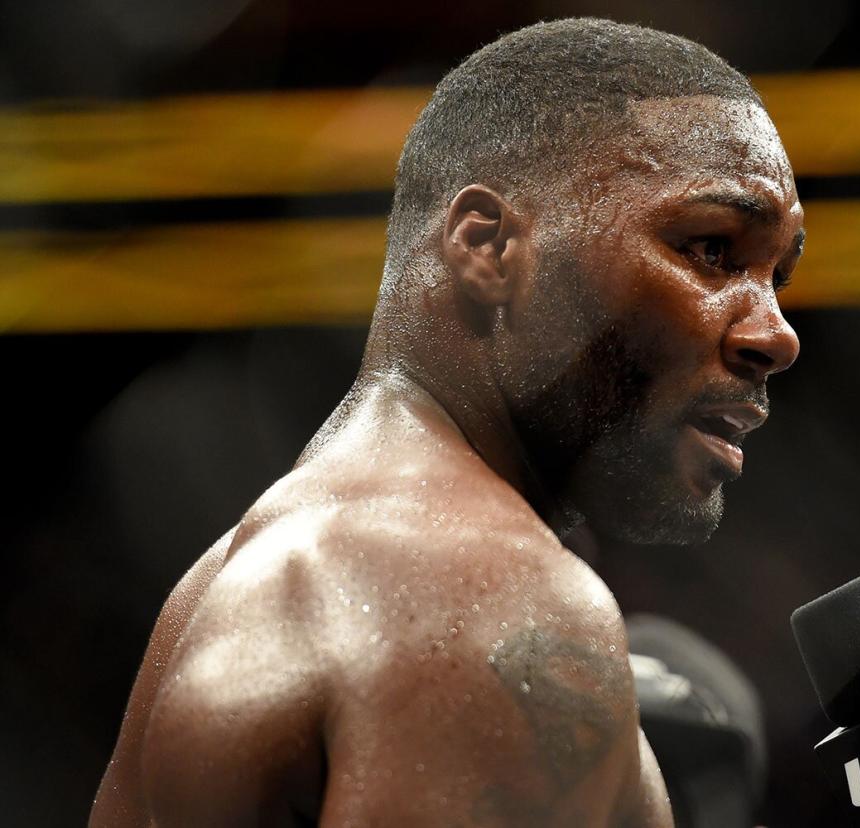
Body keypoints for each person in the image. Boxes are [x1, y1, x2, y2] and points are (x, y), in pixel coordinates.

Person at [90, 17, 803, 827]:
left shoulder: (231, 579)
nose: (776, 335)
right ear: (488, 247)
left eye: (777, 275)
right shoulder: (490, 600)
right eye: (712, 250)